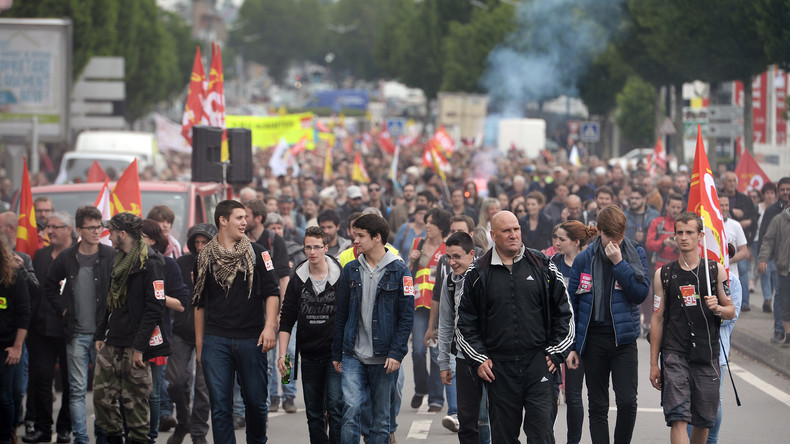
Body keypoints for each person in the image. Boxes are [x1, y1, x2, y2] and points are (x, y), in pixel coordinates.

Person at [456, 211, 575, 443]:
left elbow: (565, 313)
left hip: (538, 364)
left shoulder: (542, 264)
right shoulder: (477, 272)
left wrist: (556, 352)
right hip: (499, 369)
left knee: (542, 435)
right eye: (506, 231)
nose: (513, 235)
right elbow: (464, 323)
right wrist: (479, 359)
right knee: (503, 438)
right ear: (493, 235)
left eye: (516, 229)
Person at [193, 200, 281, 444]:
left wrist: (268, 327)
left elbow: (273, 292)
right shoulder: (204, 257)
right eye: (239, 218)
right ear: (223, 220)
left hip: (252, 339)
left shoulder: (259, 252)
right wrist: (201, 347)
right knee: (220, 407)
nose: (245, 222)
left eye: (245, 217)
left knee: (255, 402)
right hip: (216, 340)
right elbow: (198, 304)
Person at [649, 212, 735, 444]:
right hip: (674, 353)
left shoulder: (716, 270)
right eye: (680, 233)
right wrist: (653, 364)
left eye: (689, 232)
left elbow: (731, 310)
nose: (684, 237)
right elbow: (656, 320)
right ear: (674, 236)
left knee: (703, 419)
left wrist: (718, 308)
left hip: (706, 354)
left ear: (700, 236)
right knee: (678, 417)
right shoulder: (663, 275)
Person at [567, 205, 650, 444]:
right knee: (598, 405)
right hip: (593, 340)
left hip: (623, 340)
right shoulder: (584, 258)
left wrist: (619, 263)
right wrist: (573, 346)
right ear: (599, 231)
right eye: (609, 236)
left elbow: (639, 294)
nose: (614, 241)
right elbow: (572, 304)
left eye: (619, 236)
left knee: (627, 401)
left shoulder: (635, 252)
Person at [332, 214, 414, 444]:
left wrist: (396, 353)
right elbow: (341, 314)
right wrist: (337, 352)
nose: (355, 240)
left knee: (381, 420)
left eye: (360, 236)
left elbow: (406, 318)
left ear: (377, 238)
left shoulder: (401, 272)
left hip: (384, 357)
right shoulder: (350, 269)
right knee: (350, 410)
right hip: (353, 355)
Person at [93, 212, 168, 444]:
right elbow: (110, 299)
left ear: (122, 234)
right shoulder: (118, 260)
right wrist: (100, 331)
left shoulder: (151, 262)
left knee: (135, 403)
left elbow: (155, 308)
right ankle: (114, 438)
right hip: (113, 340)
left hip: (135, 343)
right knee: (101, 398)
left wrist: (139, 347)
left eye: (112, 231)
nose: (109, 235)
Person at [43, 206, 116, 444]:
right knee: (76, 391)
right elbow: (50, 287)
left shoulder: (110, 255)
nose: (97, 232)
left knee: (102, 392)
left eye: (99, 227)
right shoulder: (67, 257)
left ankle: (101, 436)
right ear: (79, 230)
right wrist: (63, 310)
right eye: (91, 227)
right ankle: (81, 439)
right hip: (75, 333)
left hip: (102, 335)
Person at [278, 226, 343, 443]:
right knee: (314, 413)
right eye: (308, 247)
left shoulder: (341, 275)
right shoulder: (297, 277)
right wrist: (283, 356)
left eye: (317, 247)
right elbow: (286, 318)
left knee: (335, 409)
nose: (312, 252)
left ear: (326, 248)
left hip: (335, 356)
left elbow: (350, 316)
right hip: (308, 355)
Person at [24, 212, 73, 444]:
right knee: (41, 380)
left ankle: (65, 428)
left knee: (70, 383)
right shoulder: (40, 255)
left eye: (55, 227)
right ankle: (43, 428)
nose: (49, 231)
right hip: (40, 331)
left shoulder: (77, 256)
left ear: (69, 230)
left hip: (68, 331)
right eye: (48, 227)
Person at [436, 232, 490, 443]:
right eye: (448, 257)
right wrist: (443, 363)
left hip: (488, 358)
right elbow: (446, 323)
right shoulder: (450, 281)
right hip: (462, 358)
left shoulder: (486, 276)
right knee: (467, 421)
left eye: (457, 256)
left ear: (471, 254)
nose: (452, 262)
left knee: (484, 419)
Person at [141, 219, 190, 443]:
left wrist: (157, 296)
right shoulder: (120, 262)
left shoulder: (167, 265)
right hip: (125, 336)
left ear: (152, 240)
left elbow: (181, 303)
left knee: (154, 390)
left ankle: (152, 435)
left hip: (156, 336)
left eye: (139, 236)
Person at [169, 224, 216, 444]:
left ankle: (198, 433)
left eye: (204, 242)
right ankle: (183, 421)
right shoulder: (182, 263)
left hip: (210, 333)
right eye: (196, 242)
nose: (200, 247)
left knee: (203, 387)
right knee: (176, 381)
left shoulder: (221, 265)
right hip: (181, 331)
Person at [551, 221, 596, 444]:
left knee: (574, 396)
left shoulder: (590, 263)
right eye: (555, 238)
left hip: (581, 335)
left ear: (576, 242)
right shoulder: (553, 262)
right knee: (551, 395)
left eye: (561, 239)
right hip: (555, 335)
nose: (556, 243)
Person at [408, 207, 451, 413]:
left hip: (437, 309)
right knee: (417, 350)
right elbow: (407, 275)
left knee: (435, 354)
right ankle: (421, 388)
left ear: (441, 226)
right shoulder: (418, 243)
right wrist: (411, 260)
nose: (427, 226)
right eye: (426, 222)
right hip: (418, 306)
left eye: (431, 222)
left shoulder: (447, 248)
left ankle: (436, 399)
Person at [0, 235, 31, 444]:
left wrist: (17, 347)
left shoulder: (12, 277)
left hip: (7, 346)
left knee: (6, 396)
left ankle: (7, 435)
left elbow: (24, 314)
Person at [758, 177, 790, 342]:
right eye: (783, 189)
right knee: (781, 296)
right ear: (779, 191)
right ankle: (780, 330)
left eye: (788, 189)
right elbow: (766, 237)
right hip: (777, 261)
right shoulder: (772, 212)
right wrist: (762, 258)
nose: (786, 193)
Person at [720, 172, 756, 311]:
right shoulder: (707, 226)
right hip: (713, 277)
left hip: (732, 277)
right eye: (720, 205)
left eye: (726, 205)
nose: (724, 208)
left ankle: (745, 302)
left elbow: (744, 250)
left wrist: (729, 260)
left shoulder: (735, 225)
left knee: (731, 316)